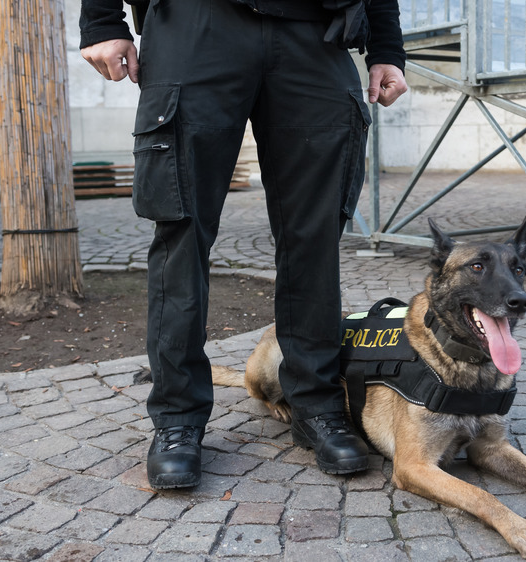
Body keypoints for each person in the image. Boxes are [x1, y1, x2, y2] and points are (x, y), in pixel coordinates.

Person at [79, 0, 408, 488]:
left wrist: (386, 46)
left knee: (314, 236)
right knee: (181, 231)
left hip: (317, 31)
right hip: (194, 25)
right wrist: (102, 20)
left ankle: (315, 405)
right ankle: (177, 418)